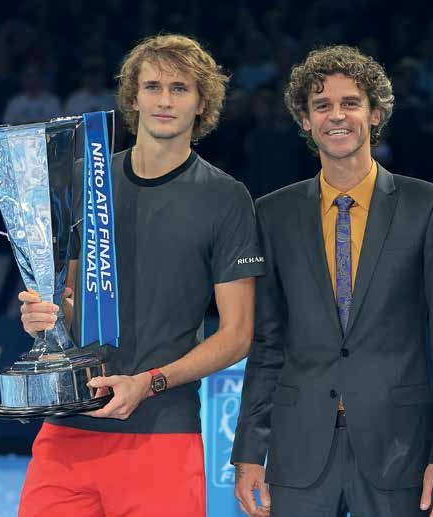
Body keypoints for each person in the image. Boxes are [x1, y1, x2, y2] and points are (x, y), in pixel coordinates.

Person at [17, 34, 265, 516]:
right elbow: (66, 301)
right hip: (68, 430)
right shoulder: (88, 183)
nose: (164, 100)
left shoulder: (226, 197)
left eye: (179, 88)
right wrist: (45, 317)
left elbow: (237, 335)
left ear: (202, 103)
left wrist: (149, 382)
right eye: (152, 86)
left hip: (162, 435)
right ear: (133, 97)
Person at [231, 45, 433, 517]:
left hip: (399, 448)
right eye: (322, 105)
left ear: (376, 112)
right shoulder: (272, 213)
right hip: (298, 447)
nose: (335, 116)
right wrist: (247, 452)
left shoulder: (430, 206)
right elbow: (267, 343)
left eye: (350, 103)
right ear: (304, 119)